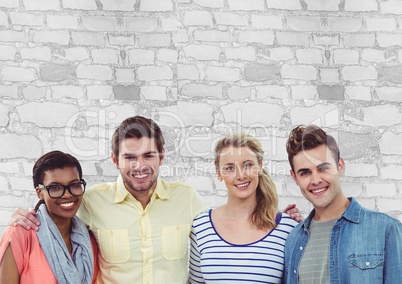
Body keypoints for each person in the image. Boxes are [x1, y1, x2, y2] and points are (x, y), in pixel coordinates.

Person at [8, 116, 302, 284]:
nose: (140, 166)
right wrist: (25, 214)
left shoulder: (186, 198)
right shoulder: (93, 201)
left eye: (149, 155)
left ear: (162, 156)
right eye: (130, 157)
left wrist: (278, 218)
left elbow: (232, 219)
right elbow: (59, 203)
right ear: (114, 160)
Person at [283, 125, 402, 284]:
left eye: (323, 168)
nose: (316, 180)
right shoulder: (293, 240)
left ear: (340, 166)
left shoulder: (386, 229)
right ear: (295, 178)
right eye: (305, 172)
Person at [189, 134, 298, 283]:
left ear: (259, 166)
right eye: (229, 168)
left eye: (248, 165)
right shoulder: (201, 226)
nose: (240, 175)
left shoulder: (286, 227)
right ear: (219, 173)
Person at [0, 151, 98, 284]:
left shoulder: (88, 239)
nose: (68, 195)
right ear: (39, 192)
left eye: (74, 185)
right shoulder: (20, 236)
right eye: (55, 187)